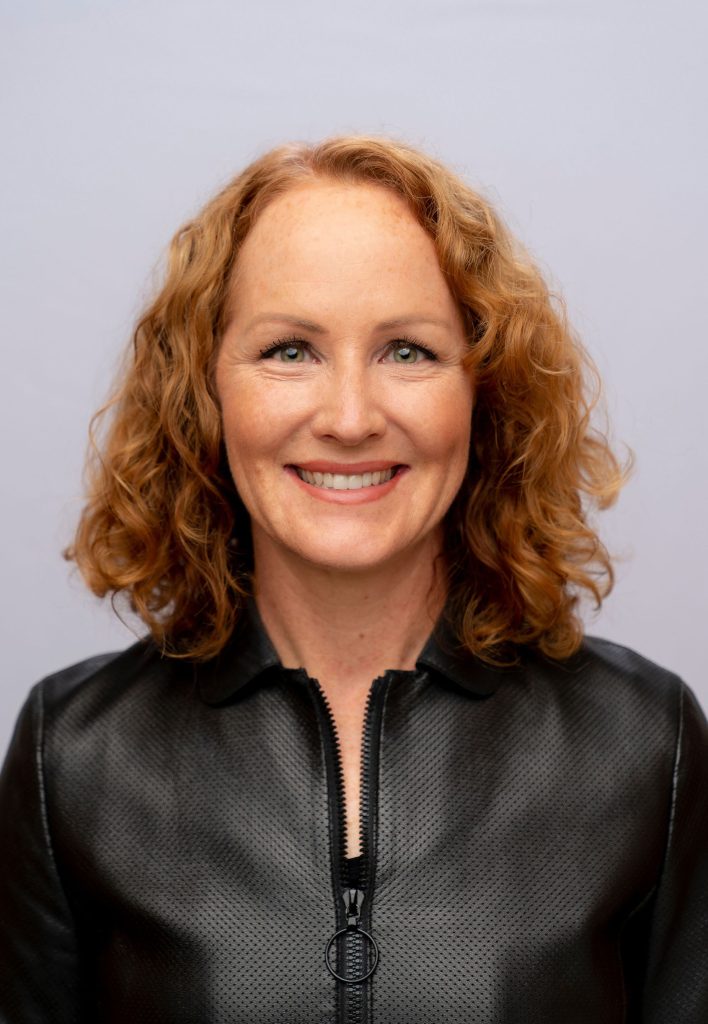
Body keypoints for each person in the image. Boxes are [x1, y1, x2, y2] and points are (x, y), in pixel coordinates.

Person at [1, 134, 706, 1023]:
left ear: (485, 392)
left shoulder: (644, 745)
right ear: (204, 392)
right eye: (289, 350)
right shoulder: (71, 756)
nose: (348, 418)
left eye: (407, 351)